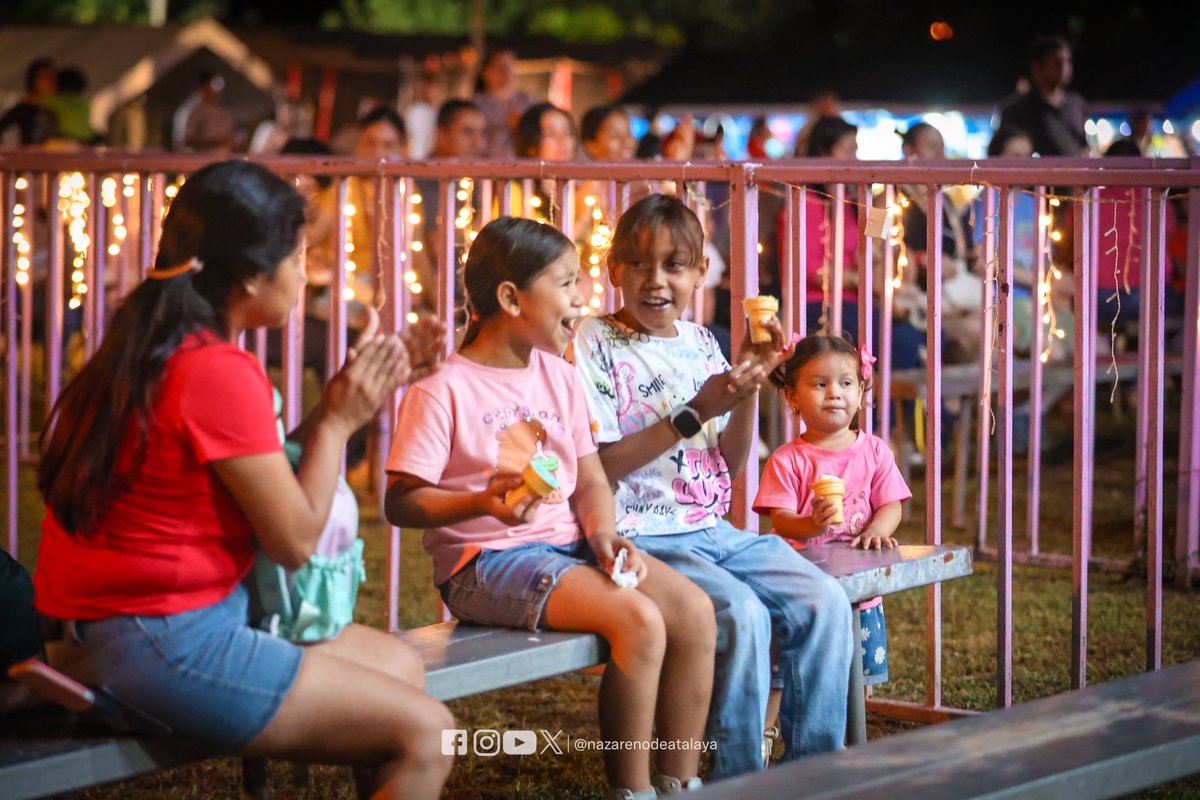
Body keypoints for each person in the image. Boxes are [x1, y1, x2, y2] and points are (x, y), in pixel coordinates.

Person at [33, 160, 453, 798]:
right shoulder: (216, 371)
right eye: (299, 256)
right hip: (159, 639)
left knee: (400, 666)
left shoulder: (149, 341)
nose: (305, 273)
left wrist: (351, 398)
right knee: (428, 734)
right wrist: (339, 423)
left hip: (111, 627)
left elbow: (271, 472)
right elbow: (294, 540)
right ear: (254, 274)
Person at [384, 216, 716, 800]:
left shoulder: (560, 377)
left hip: (566, 547)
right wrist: (479, 501)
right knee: (638, 619)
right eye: (566, 284)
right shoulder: (442, 389)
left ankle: (679, 782)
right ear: (511, 297)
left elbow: (589, 481)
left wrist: (605, 534)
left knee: (692, 610)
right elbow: (401, 501)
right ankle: (632, 790)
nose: (582, 298)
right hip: (485, 563)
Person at [572, 194, 854, 778]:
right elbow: (599, 467)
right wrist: (694, 409)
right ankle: (737, 779)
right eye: (640, 264)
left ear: (701, 274)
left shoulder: (703, 342)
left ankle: (813, 774)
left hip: (712, 531)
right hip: (643, 535)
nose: (657, 281)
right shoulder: (589, 341)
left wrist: (748, 384)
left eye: (675, 265)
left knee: (825, 600)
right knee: (745, 614)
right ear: (612, 270)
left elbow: (731, 458)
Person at [753, 333, 911, 738]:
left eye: (845, 383)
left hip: (859, 591)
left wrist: (877, 529)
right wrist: (812, 526)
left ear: (861, 393)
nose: (834, 394)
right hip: (801, 590)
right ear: (792, 397)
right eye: (819, 384)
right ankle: (765, 735)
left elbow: (892, 502)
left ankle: (841, 736)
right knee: (783, 671)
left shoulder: (874, 451)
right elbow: (781, 517)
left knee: (853, 673)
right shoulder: (789, 458)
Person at [898, 122, 985, 363]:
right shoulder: (891, 197)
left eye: (942, 148)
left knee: (1001, 331)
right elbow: (877, 248)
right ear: (909, 152)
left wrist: (976, 259)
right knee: (980, 337)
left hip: (952, 299)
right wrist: (921, 259)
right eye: (932, 147)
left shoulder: (944, 202)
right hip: (915, 300)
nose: (940, 155)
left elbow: (964, 252)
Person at [998, 36, 1089, 157]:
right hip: (1040, 175)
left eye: (1067, 61)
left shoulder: (1076, 103)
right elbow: (1005, 150)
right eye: (1057, 62)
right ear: (1037, 67)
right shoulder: (1017, 110)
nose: (1064, 67)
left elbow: (1084, 146)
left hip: (1078, 174)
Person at [472, 49, 536, 158]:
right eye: (500, 67)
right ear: (485, 71)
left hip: (522, 166)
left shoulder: (527, 101)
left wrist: (523, 124)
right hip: (484, 166)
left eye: (510, 67)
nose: (506, 72)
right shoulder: (475, 105)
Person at [0, 58, 59, 146]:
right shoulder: (21, 111)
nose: (52, 81)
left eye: (53, 77)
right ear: (34, 79)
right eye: (47, 77)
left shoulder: (50, 111)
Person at [181, 72, 234, 152]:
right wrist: (214, 142)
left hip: (221, 160)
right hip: (202, 160)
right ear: (203, 88)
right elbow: (188, 141)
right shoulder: (195, 113)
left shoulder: (222, 113)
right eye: (213, 85)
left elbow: (228, 137)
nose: (216, 90)